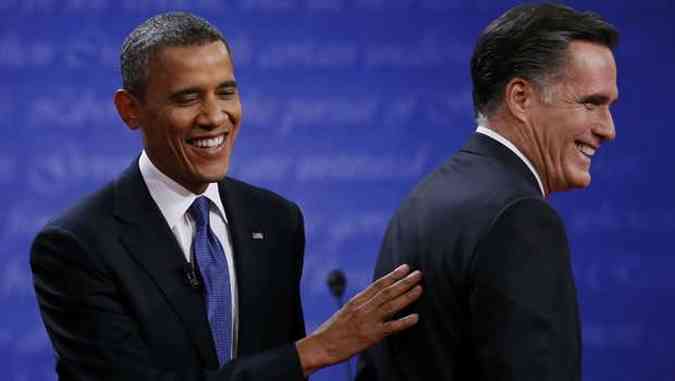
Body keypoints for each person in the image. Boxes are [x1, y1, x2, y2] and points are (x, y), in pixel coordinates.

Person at [30, 12, 423, 381]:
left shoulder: (275, 220)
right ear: (130, 110)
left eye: (226, 92)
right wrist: (312, 351)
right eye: (188, 98)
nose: (215, 116)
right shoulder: (77, 245)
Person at [356, 3, 618, 380]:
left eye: (609, 106)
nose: (608, 129)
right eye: (591, 103)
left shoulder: (428, 197)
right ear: (521, 98)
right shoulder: (520, 216)